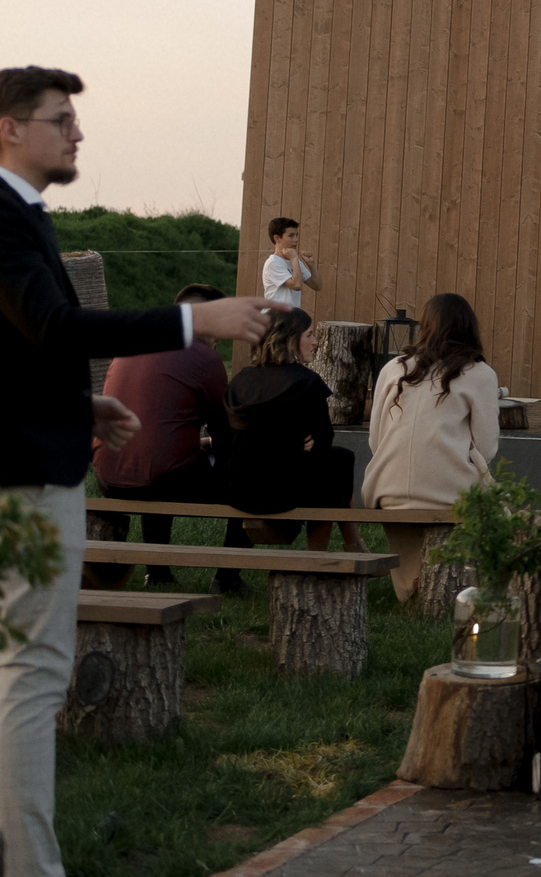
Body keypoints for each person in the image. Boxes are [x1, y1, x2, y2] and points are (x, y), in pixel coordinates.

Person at [1, 66, 273, 877]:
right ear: (10, 127)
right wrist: (197, 318)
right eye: (59, 119)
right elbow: (54, 325)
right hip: (23, 485)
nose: (76, 132)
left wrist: (76, 409)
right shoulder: (3, 216)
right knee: (31, 674)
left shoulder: (21, 216)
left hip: (29, 456)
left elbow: (15, 346)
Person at [94, 282, 251, 593]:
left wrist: (194, 444)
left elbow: (154, 422)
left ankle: (158, 572)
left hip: (107, 476)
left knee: (160, 462)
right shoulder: (204, 356)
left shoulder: (135, 342)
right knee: (251, 481)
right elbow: (224, 431)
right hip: (162, 478)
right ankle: (228, 577)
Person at [362, 293, 502, 601]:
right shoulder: (479, 374)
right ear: (469, 328)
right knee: (499, 512)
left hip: (388, 488)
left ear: (425, 326)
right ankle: (452, 591)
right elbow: (487, 448)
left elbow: (375, 440)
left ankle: (411, 590)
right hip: (450, 492)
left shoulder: (393, 368)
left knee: (408, 551)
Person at [225, 307, 361, 551]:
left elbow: (231, 436)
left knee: (251, 461)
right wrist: (301, 442)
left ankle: (226, 574)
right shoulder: (306, 382)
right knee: (338, 461)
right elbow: (323, 440)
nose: (315, 342)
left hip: (239, 490)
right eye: (309, 334)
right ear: (290, 338)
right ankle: (318, 555)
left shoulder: (240, 381)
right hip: (286, 494)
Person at [261, 215, 318, 310]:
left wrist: (311, 265)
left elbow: (317, 286)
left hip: (291, 318)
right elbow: (296, 285)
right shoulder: (273, 263)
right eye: (291, 235)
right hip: (276, 318)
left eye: (296, 235)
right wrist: (294, 258)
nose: (296, 239)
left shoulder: (295, 261)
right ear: (277, 238)